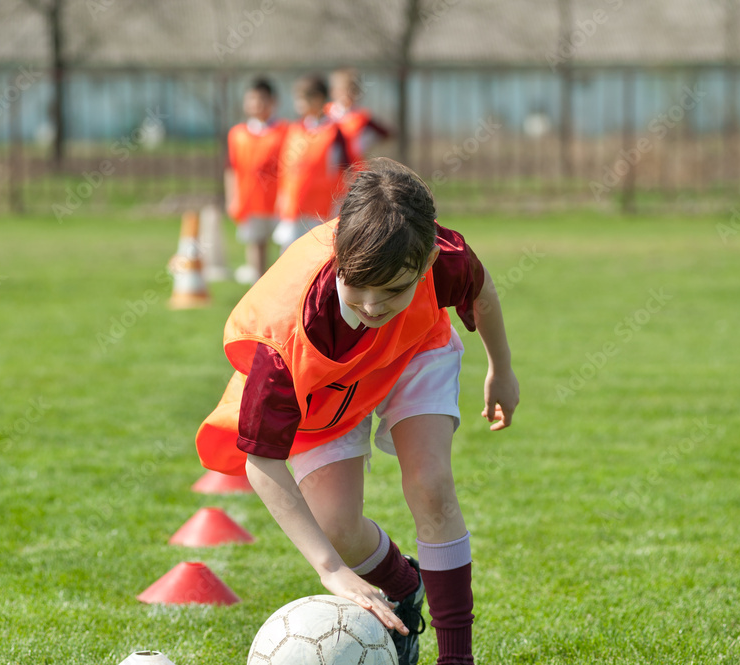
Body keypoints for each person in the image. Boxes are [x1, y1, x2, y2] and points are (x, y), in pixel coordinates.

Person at [196, 157, 519, 665]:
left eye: (393, 290)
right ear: (339, 254)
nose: (372, 305)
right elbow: (261, 461)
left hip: (414, 351)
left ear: (429, 259)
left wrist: (501, 369)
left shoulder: (443, 257)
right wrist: (330, 569)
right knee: (336, 529)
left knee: (431, 485)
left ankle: (457, 658)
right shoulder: (282, 335)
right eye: (358, 285)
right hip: (325, 398)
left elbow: (481, 292)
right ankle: (404, 584)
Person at [272, 74, 351, 252]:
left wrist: (338, 201)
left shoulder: (333, 131)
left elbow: (343, 168)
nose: (297, 104)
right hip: (295, 205)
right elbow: (285, 167)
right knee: (289, 251)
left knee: (319, 251)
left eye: (302, 99)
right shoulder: (294, 129)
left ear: (318, 99)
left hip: (321, 207)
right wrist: (282, 195)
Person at [225, 77, 289, 285]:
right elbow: (231, 168)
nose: (256, 104)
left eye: (261, 99)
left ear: (272, 101)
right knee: (255, 246)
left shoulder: (285, 131)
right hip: (251, 201)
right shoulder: (238, 134)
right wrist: (231, 198)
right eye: (251, 99)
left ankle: (282, 288)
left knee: (285, 247)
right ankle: (258, 288)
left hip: (279, 203)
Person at [326, 67, 391, 163]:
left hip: (353, 170)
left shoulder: (362, 117)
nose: (349, 94)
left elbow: (385, 133)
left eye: (353, 90)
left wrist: (363, 143)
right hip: (328, 171)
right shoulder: (326, 113)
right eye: (344, 89)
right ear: (333, 91)